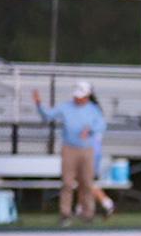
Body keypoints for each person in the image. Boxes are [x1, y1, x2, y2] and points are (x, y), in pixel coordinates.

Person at [32, 82, 107, 226]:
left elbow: (101, 125)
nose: (78, 99)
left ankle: (88, 214)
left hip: (86, 149)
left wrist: (89, 128)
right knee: (67, 182)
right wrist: (39, 104)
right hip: (69, 148)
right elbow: (48, 115)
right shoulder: (65, 107)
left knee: (86, 182)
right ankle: (65, 214)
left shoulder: (93, 109)